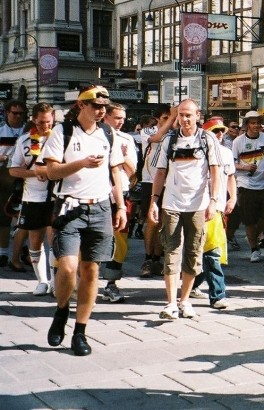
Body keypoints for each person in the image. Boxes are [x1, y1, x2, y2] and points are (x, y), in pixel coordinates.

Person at [41, 85, 128, 356]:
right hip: (70, 207)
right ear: (82, 106)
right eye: (96, 106)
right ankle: (61, 310)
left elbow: (115, 171)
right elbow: (53, 171)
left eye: (104, 107)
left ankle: (80, 331)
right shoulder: (63, 132)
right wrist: (81, 163)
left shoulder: (107, 133)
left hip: (100, 208)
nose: (101, 111)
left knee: (91, 271)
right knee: (67, 268)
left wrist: (121, 206)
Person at [148, 98, 222, 320]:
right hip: (171, 203)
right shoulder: (169, 140)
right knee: (171, 250)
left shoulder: (207, 139)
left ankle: (185, 300)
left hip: (198, 205)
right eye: (181, 115)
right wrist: (154, 200)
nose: (184, 119)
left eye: (188, 115)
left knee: (193, 252)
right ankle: (170, 303)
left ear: (197, 115)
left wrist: (214, 201)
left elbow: (215, 171)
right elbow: (160, 172)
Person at [8, 102, 55, 295]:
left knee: (56, 240)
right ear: (34, 120)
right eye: (42, 122)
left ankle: (54, 281)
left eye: (49, 122)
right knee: (35, 240)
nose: (46, 126)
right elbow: (13, 169)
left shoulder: (60, 138)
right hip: (33, 196)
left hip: (55, 196)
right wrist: (35, 173)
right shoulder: (25, 141)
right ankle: (42, 281)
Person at [191, 116, 236, 310]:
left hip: (218, 208)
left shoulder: (226, 152)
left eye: (222, 131)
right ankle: (217, 294)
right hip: (200, 207)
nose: (219, 134)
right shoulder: (197, 151)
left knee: (210, 251)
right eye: (215, 131)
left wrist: (233, 197)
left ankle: (192, 284)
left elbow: (231, 176)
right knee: (211, 253)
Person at [99, 103, 138, 303]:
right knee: (93, 238)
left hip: (121, 193)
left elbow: (132, 172)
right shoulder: (95, 135)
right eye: (117, 118)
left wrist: (120, 156)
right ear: (105, 117)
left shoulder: (127, 139)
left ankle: (111, 284)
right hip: (97, 193)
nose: (121, 122)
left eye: (123, 118)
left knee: (120, 239)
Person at [230, 110, 264, 262]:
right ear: (247, 125)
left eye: (258, 122)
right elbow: (232, 163)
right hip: (246, 184)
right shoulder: (238, 141)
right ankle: (254, 249)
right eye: (253, 123)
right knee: (249, 220)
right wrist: (245, 168)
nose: (256, 125)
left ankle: (253, 234)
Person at [139, 105, 176, 278]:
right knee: (152, 221)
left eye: (171, 117)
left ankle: (157, 258)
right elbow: (156, 138)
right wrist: (171, 121)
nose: (169, 121)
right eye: (165, 118)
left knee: (163, 222)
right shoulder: (147, 131)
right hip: (149, 180)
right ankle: (147, 257)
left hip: (168, 182)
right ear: (157, 119)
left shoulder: (175, 133)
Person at [0, 99, 27, 269]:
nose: (17, 116)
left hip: (24, 175)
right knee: (3, 214)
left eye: (20, 113)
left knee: (24, 216)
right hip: (4, 175)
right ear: (7, 113)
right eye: (14, 113)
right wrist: (5, 158)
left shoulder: (28, 130)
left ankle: (23, 250)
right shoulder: (1, 130)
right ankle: (3, 253)